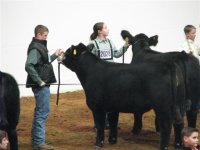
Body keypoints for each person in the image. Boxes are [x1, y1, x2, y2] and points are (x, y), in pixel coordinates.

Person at [25, 25, 63, 150]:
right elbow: (29, 65)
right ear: (39, 34)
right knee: (42, 113)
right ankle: (39, 143)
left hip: (43, 84)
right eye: (45, 35)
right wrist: (39, 81)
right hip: (41, 85)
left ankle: (36, 140)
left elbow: (43, 63)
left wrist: (54, 55)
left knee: (40, 113)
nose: (47, 37)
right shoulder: (36, 48)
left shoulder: (39, 46)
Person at [88, 22, 129, 129]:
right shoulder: (92, 43)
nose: (108, 29)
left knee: (112, 98)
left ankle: (110, 122)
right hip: (99, 77)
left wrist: (125, 46)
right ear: (99, 31)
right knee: (100, 99)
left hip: (111, 75)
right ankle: (99, 122)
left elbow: (116, 54)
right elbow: (89, 60)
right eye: (105, 28)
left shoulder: (110, 42)